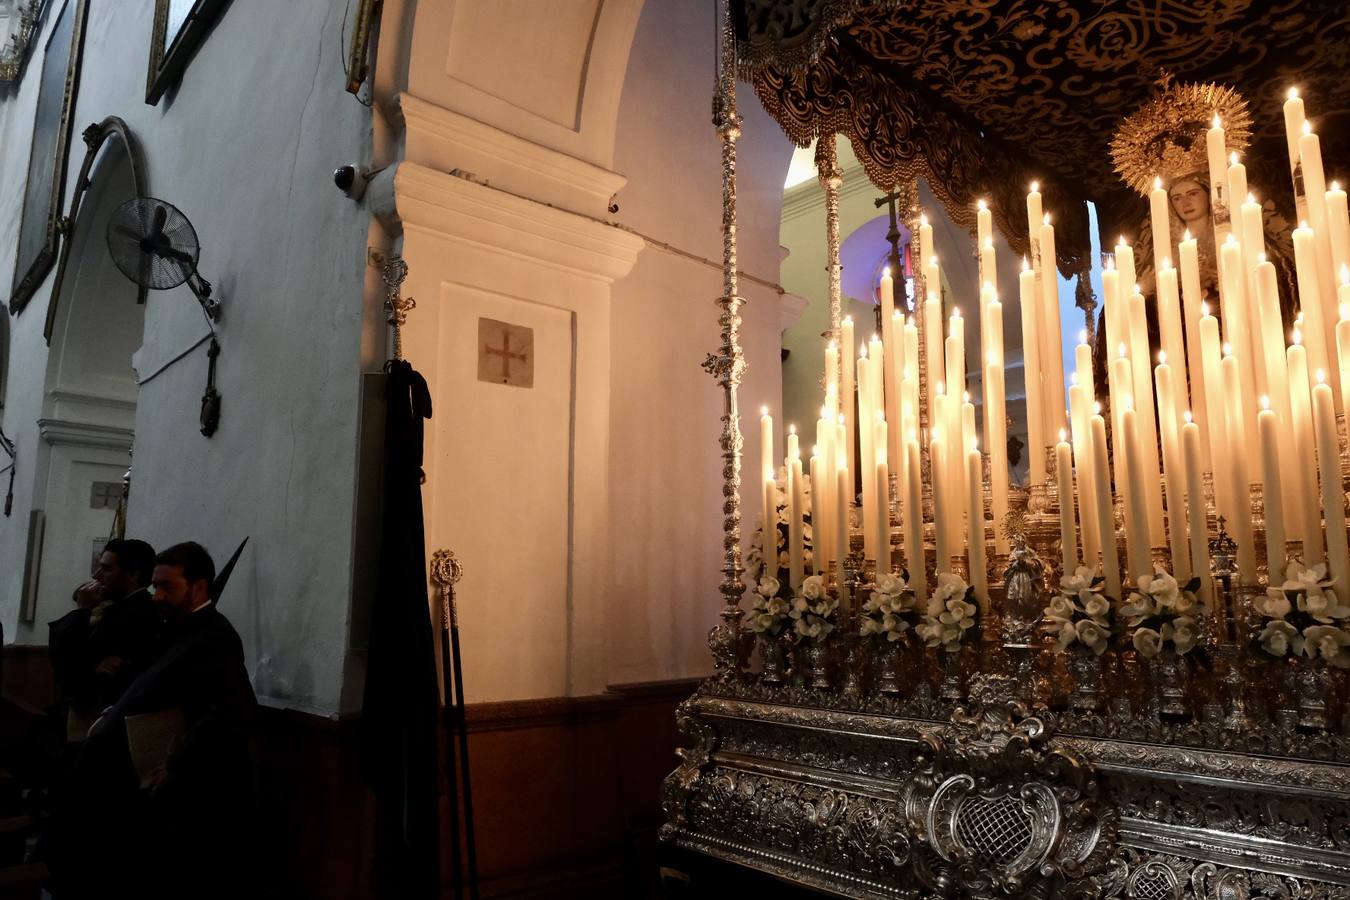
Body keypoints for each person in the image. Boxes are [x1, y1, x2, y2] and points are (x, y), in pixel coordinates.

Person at [50, 541, 257, 899]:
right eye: (156, 586)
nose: (157, 596)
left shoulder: (216, 637)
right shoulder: (174, 627)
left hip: (177, 791)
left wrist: (177, 766)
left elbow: (227, 711)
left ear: (199, 587)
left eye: (167, 587)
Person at [48, 538, 162, 741]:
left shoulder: (139, 613)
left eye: (107, 568)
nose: (96, 576)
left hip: (104, 719)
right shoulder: (116, 606)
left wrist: (82, 612)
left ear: (133, 574)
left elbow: (73, 662)